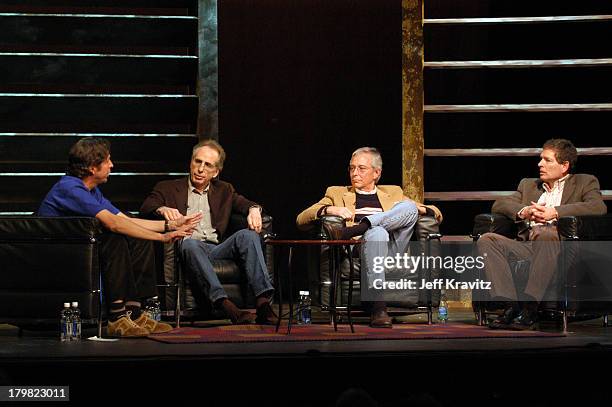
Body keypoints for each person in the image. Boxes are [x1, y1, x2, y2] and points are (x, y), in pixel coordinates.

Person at [38, 137, 202, 337]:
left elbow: (125, 219)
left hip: (79, 250)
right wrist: (162, 238)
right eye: (107, 161)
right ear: (92, 168)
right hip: (55, 254)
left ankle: (135, 312)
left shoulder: (91, 190)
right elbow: (114, 224)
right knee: (113, 238)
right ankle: (117, 317)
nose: (112, 165)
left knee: (139, 238)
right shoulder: (70, 188)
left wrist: (170, 225)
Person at [296, 147, 442, 328]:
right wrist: (329, 209)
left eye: (361, 168)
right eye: (351, 168)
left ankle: (354, 230)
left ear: (376, 173)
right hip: (359, 248)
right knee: (377, 232)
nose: (354, 173)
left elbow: (436, 213)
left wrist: (415, 209)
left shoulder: (393, 192)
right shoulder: (336, 193)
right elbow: (301, 219)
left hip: (392, 248)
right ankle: (378, 307)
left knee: (409, 208)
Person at [139, 139, 277, 325]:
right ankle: (226, 305)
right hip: (187, 246)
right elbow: (146, 207)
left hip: (216, 248)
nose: (200, 169)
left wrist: (254, 209)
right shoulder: (168, 187)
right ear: (191, 162)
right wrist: (162, 209)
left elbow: (244, 203)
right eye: (197, 161)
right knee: (189, 242)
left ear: (216, 172)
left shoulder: (225, 190)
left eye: (208, 165)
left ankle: (263, 304)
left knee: (249, 235)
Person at [478, 138, 607, 330]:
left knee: (545, 233)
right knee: (487, 240)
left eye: (547, 160)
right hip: (529, 245)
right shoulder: (529, 185)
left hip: (561, 248)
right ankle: (511, 306)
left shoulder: (584, 182)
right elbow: (500, 204)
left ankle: (530, 307)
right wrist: (525, 211)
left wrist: (554, 212)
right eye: (540, 159)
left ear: (564, 166)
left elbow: (597, 207)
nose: (540, 164)